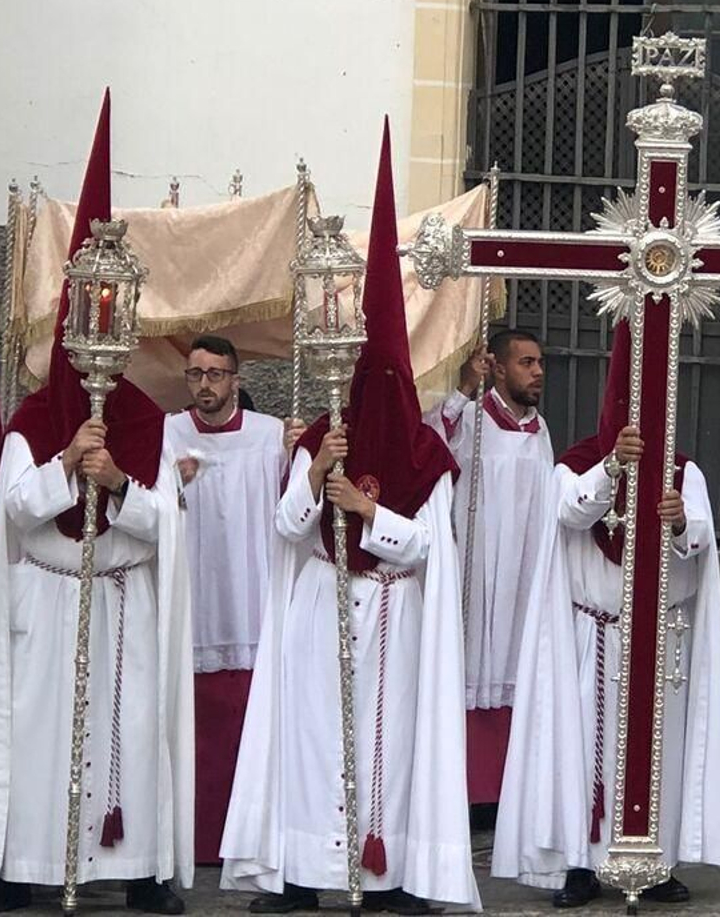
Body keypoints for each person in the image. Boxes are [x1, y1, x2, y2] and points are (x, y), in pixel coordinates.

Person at [0, 92, 194, 914]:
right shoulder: (33, 418)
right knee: (41, 735)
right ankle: (22, 868)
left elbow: (166, 531)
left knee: (128, 735)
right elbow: (13, 510)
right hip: (48, 599)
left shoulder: (147, 422)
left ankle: (141, 867)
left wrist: (116, 482)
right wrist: (62, 465)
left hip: (122, 598)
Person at [220, 123, 476, 915]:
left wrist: (372, 511)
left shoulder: (427, 455)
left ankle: (390, 872)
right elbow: (289, 527)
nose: (380, 399)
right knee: (309, 740)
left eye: (391, 383)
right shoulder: (319, 436)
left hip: (393, 616)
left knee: (386, 746)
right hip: (318, 603)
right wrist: (321, 468)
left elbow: (434, 545)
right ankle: (301, 873)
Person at [492, 321, 720, 908]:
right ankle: (579, 864)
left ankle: (654, 861)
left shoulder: (684, 471)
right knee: (580, 752)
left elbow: (700, 544)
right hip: (590, 637)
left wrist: (679, 521)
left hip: (658, 638)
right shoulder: (573, 463)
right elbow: (573, 514)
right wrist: (613, 468)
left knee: (658, 753)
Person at [162, 333, 288, 865]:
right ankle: (187, 842)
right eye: (195, 374)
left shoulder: (270, 435)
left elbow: (292, 505)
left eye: (215, 374)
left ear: (236, 379)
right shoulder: (168, 434)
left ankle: (249, 840)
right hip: (191, 602)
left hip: (250, 601)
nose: (204, 385)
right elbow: (143, 503)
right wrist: (173, 481)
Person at [424, 326, 555, 815]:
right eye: (526, 362)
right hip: (480, 569)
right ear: (496, 367)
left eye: (539, 362)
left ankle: (513, 789)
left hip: (526, 570)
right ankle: (471, 789)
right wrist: (462, 388)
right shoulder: (472, 420)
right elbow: (433, 442)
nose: (538, 371)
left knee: (520, 663)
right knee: (477, 662)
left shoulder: (540, 428)